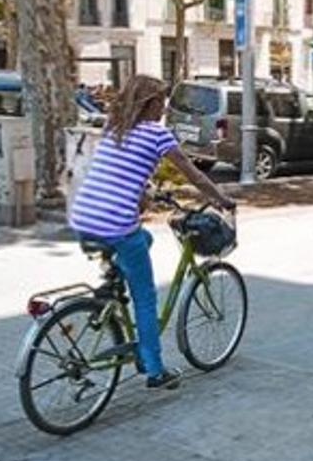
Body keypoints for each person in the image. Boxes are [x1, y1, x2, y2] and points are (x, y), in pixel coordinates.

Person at [68, 74, 236, 390]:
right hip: (115, 224)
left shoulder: (113, 130)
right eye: (161, 101)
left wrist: (145, 196)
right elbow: (195, 176)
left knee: (143, 239)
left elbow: (119, 174)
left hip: (84, 217)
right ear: (150, 103)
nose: (164, 107)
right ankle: (155, 370)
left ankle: (112, 282)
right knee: (145, 298)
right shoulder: (158, 136)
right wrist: (221, 199)